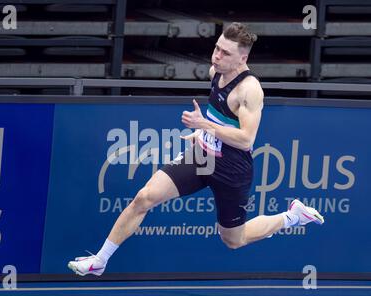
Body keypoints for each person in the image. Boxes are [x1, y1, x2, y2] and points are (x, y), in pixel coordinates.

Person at [67, 22, 324, 277]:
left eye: (225, 53)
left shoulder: (250, 90)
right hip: (202, 156)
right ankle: (100, 260)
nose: (217, 56)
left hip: (232, 169)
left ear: (242, 57)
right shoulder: (216, 72)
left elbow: (246, 139)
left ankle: (293, 217)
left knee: (234, 239)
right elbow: (220, 116)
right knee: (144, 198)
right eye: (217, 48)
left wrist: (204, 125)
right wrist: (203, 132)